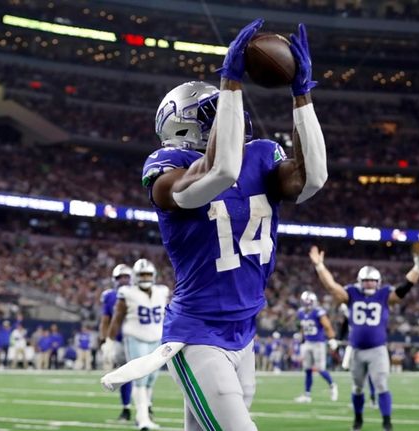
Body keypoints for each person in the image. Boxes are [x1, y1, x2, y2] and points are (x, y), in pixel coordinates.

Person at [121, 18, 326, 431]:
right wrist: (230, 82)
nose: (229, 118)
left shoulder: (263, 155)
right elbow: (220, 172)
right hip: (197, 334)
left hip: (245, 332)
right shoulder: (166, 170)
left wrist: (302, 97)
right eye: (213, 115)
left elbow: (313, 178)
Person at [309, 245, 419, 431]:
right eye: (366, 281)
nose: (369, 284)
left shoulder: (384, 295)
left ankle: (387, 422)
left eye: (373, 281)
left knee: (381, 385)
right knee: (357, 388)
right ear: (360, 281)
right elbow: (332, 287)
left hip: (377, 349)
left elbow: (404, 289)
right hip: (357, 350)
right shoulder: (352, 293)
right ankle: (358, 420)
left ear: (378, 282)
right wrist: (319, 266)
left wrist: (418, 268)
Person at [106, 258, 170, 431]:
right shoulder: (127, 292)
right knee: (140, 379)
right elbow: (117, 318)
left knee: (150, 380)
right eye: (142, 274)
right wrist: (110, 341)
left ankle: (145, 416)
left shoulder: (162, 291)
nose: (145, 277)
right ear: (135, 276)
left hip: (156, 340)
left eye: (148, 274)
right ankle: (142, 419)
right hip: (135, 337)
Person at [100, 264, 134, 421]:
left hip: (138, 339)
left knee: (145, 377)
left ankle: (147, 409)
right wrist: (105, 340)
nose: (123, 280)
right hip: (120, 340)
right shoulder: (109, 296)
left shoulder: (138, 293)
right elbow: (105, 319)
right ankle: (126, 408)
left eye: (126, 277)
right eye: (120, 278)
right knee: (125, 374)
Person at [294, 291, 339, 403]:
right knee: (307, 369)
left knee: (320, 369)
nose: (306, 304)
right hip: (308, 342)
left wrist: (332, 338)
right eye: (305, 302)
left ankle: (333, 386)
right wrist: (301, 336)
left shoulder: (318, 312)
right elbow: (303, 326)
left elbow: (327, 325)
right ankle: (307, 395)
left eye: (308, 302)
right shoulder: (300, 312)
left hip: (318, 343)